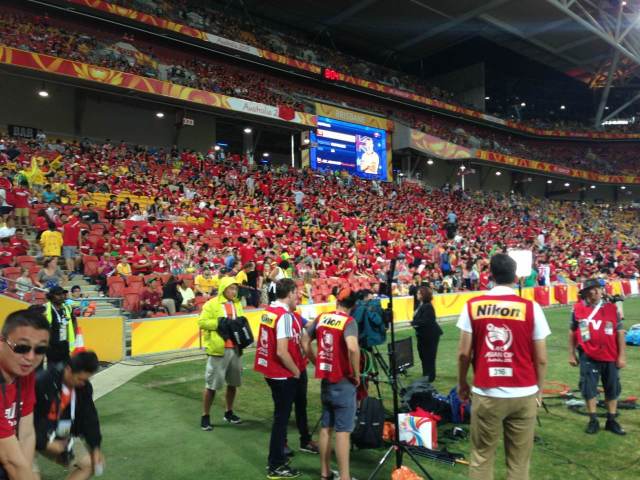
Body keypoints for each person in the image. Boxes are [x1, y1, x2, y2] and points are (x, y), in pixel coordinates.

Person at [456, 253, 550, 480]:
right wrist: (539, 390)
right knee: (519, 463)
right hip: (524, 392)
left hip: (487, 391)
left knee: (481, 458)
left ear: (490, 275)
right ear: (516, 277)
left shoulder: (473, 305)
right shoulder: (532, 307)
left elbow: (463, 354)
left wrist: (462, 383)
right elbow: (541, 359)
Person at [303, 288, 360, 480]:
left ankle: (325, 473)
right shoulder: (349, 322)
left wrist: (316, 362)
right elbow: (353, 348)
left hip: (326, 380)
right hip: (343, 380)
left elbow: (304, 341)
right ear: (353, 306)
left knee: (326, 427)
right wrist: (356, 374)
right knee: (343, 432)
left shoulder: (322, 318)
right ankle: (345, 477)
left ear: (337, 302)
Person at [254, 279, 308, 479]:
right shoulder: (283, 316)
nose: (298, 296)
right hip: (282, 374)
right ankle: (275, 464)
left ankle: (279, 457)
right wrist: (295, 371)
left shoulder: (269, 311)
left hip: (270, 372)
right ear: (290, 293)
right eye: (296, 292)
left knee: (280, 419)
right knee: (281, 420)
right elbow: (282, 351)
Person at [33, 351, 105, 480]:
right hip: (31, 436)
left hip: (59, 436)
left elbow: (90, 419)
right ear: (68, 370)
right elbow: (26, 422)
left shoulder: (84, 388)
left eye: (86, 379)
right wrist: (45, 443)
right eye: (80, 379)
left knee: (88, 464)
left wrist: (95, 447)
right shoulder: (43, 382)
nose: (83, 383)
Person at [568, 278, 626, 435]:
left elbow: (620, 332)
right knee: (588, 388)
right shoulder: (577, 309)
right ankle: (593, 420)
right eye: (590, 290)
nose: (593, 292)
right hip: (588, 355)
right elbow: (572, 331)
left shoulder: (612, 308)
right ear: (585, 293)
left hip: (610, 355)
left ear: (602, 290)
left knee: (612, 388)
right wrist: (571, 353)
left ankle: (611, 420)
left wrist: (622, 356)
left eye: (596, 289)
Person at [0, 308, 50, 479]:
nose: (30, 357)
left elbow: (26, 433)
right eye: (22, 347)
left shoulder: (25, 373)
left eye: (40, 350)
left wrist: (27, 470)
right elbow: (11, 461)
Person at [198, 277, 244, 431]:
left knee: (233, 384)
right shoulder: (211, 304)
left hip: (235, 349)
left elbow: (240, 322)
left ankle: (228, 412)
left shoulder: (237, 304)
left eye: (235, 289)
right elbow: (202, 322)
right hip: (218, 350)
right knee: (211, 385)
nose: (234, 291)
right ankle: (205, 416)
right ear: (224, 288)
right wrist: (218, 322)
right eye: (231, 288)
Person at [411, 286, 442, 381]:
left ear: (423, 295)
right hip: (423, 335)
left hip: (430, 335)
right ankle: (426, 374)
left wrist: (413, 323)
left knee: (429, 356)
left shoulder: (427, 306)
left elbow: (427, 321)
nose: (417, 295)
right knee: (423, 355)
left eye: (418, 293)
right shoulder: (421, 305)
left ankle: (430, 376)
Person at [43, 286, 79, 365]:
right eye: (58, 294)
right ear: (51, 296)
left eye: (62, 294)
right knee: (54, 370)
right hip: (51, 347)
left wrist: (74, 334)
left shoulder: (67, 308)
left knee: (67, 369)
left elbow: (74, 321)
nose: (62, 296)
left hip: (65, 345)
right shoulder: (45, 308)